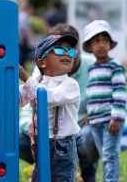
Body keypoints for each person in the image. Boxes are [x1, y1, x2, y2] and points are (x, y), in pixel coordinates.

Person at [19, 24, 99, 182]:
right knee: (39, 178)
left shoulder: (70, 85)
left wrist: (26, 79)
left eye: (71, 50)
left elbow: (48, 98)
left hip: (63, 147)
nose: (68, 54)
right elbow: (20, 98)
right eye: (60, 50)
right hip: (40, 144)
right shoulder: (39, 81)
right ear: (42, 63)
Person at [83, 20, 127, 182]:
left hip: (110, 120)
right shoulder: (92, 68)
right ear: (89, 46)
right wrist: (89, 112)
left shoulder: (115, 66)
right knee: (104, 155)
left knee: (110, 156)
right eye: (97, 41)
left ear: (110, 44)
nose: (101, 45)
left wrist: (116, 118)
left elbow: (120, 93)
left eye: (105, 40)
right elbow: (93, 93)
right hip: (95, 121)